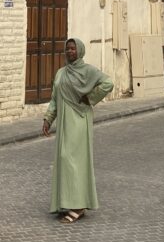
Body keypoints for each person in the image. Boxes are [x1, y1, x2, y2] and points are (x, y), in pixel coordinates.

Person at [41, 37, 114, 223]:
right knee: (63, 161)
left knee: (73, 160)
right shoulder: (61, 73)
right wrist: (48, 119)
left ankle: (79, 206)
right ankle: (65, 202)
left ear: (80, 51)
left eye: (73, 49)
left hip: (79, 122)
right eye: (68, 49)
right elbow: (55, 98)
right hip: (64, 122)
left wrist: (89, 98)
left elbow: (108, 83)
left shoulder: (88, 71)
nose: (70, 52)